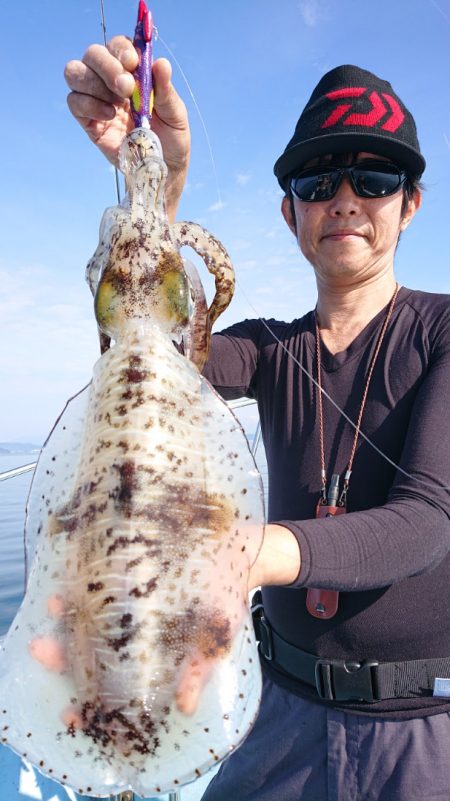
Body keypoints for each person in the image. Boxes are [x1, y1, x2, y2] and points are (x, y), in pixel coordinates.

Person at [64, 43, 450, 801]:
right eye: (317, 180)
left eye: (373, 177)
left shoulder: (440, 333)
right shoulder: (271, 350)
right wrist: (161, 193)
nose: (343, 198)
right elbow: (147, 355)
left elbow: (429, 519)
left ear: (410, 203)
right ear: (290, 211)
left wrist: (249, 552)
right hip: (278, 712)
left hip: (424, 732)